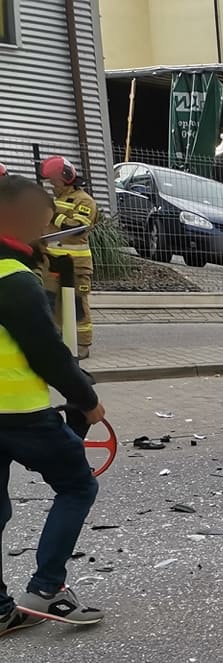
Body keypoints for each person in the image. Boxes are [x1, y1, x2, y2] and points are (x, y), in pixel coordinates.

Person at [0, 174, 105, 632]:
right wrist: (87, 400)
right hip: (20, 414)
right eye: (40, 223)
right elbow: (48, 354)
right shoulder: (14, 279)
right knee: (78, 485)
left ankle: (2, 611)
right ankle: (47, 590)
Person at [40, 156, 96, 359]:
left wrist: (53, 214)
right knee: (53, 304)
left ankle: (82, 345)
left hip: (76, 265)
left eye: (54, 180)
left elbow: (76, 229)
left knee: (77, 305)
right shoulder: (56, 200)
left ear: (65, 177)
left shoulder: (84, 200)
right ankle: (58, 342)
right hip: (52, 263)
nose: (52, 185)